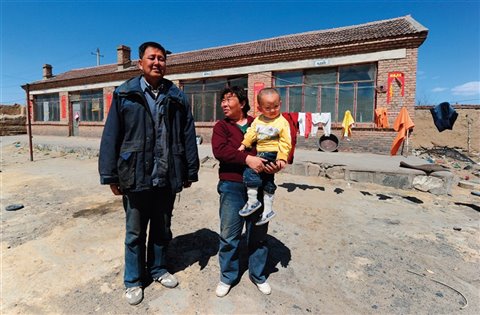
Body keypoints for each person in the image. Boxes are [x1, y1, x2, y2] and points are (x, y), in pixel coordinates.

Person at [98, 41, 199, 306]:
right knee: (134, 232)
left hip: (166, 174)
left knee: (162, 229)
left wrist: (190, 170)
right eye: (152, 58)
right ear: (140, 63)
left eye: (162, 59)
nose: (157, 63)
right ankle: (133, 280)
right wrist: (110, 175)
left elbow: (188, 134)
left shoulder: (176, 96)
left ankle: (157, 269)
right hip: (135, 174)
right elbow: (111, 136)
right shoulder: (125, 93)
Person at [211, 86, 280, 298]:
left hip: (260, 184)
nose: (223, 104)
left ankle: (258, 275)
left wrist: (277, 164)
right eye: (222, 100)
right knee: (229, 233)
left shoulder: (258, 123)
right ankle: (228, 276)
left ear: (242, 103)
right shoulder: (221, 127)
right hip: (231, 186)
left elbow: (275, 144)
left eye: (228, 99)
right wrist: (247, 159)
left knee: (258, 233)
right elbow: (220, 151)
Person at [238, 88, 291, 225]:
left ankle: (253, 200)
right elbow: (251, 134)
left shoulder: (282, 122)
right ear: (260, 108)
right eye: (268, 108)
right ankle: (268, 210)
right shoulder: (257, 121)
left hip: (272, 153)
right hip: (261, 153)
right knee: (267, 179)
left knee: (250, 171)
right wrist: (244, 144)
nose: (272, 110)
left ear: (280, 103)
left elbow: (285, 141)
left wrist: (282, 158)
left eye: (276, 106)